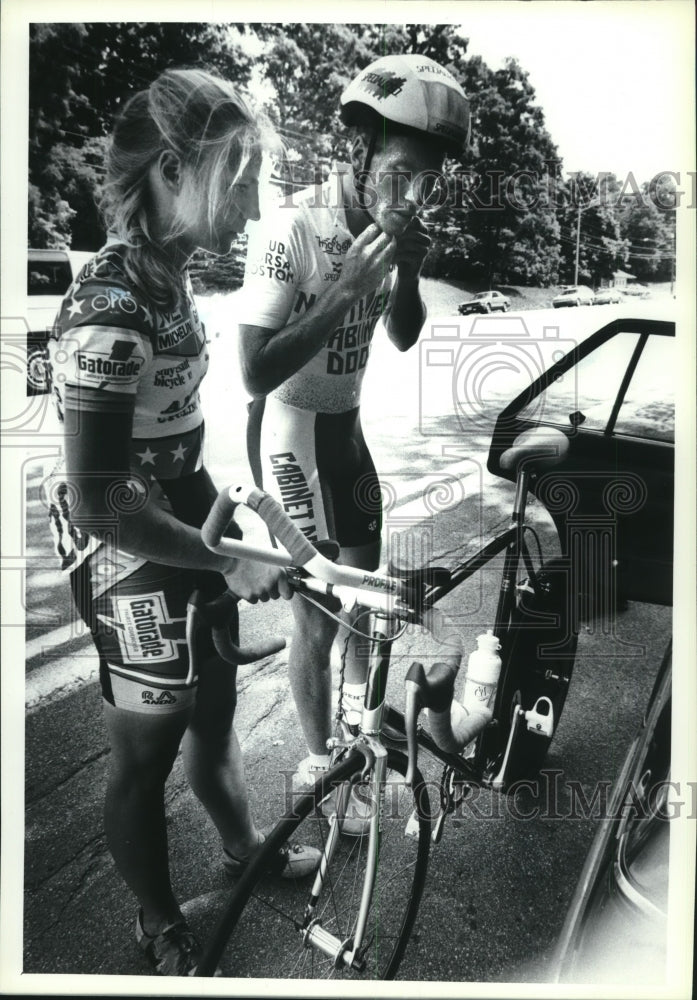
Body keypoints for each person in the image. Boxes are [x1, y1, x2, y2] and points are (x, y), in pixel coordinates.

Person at [44, 68, 320, 978]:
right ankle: (156, 918)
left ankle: (243, 848)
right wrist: (224, 560)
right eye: (238, 177)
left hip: (180, 533)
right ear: (174, 168)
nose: (250, 206)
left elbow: (176, 455)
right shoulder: (110, 311)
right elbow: (100, 498)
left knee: (214, 708)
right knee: (147, 750)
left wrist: (245, 526)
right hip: (123, 554)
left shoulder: (167, 285)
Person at [238, 54, 470, 811]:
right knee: (315, 613)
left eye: (428, 181)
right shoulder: (291, 227)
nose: (413, 195)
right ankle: (317, 766)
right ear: (357, 148)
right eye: (401, 173)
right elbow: (254, 372)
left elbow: (401, 335)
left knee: (366, 609)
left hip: (347, 431)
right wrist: (342, 292)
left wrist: (404, 273)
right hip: (288, 431)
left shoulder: (391, 226)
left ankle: (357, 732)